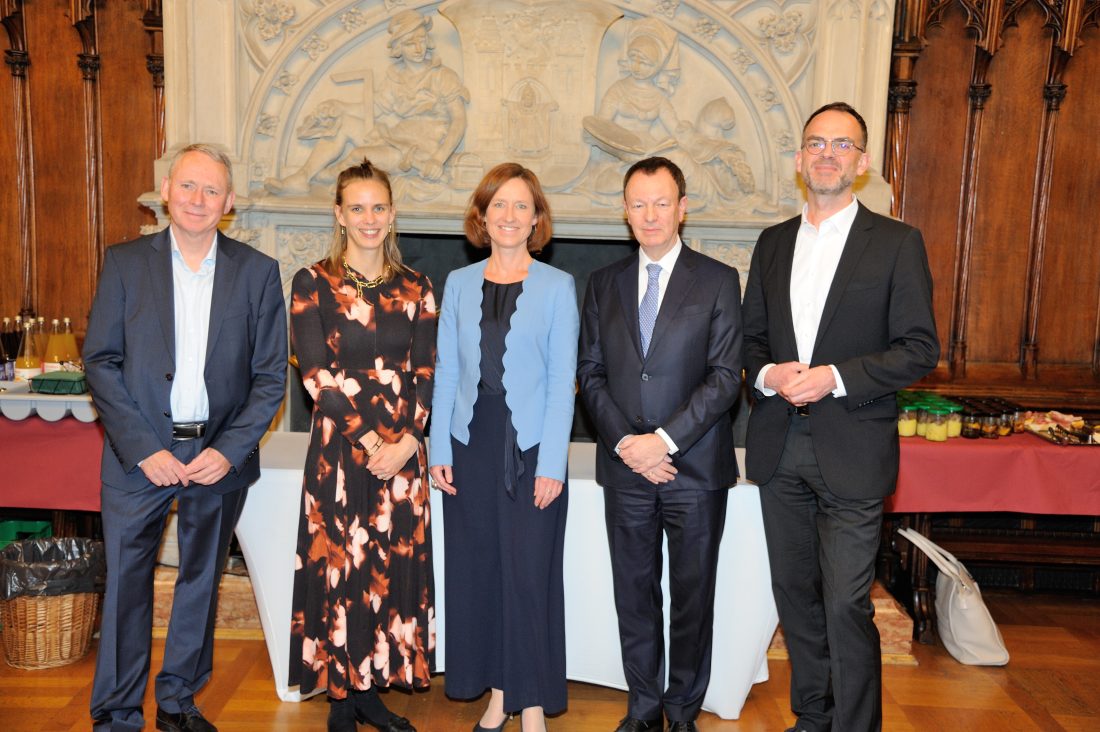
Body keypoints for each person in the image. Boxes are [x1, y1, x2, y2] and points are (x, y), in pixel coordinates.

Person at [741, 102, 940, 732]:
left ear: (860, 163)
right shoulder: (772, 243)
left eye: (842, 145)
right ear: (800, 159)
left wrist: (834, 377)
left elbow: (919, 349)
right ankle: (812, 718)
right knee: (795, 600)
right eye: (816, 143)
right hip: (779, 449)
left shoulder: (897, 243)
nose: (828, 153)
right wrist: (771, 376)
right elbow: (750, 345)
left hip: (853, 449)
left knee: (847, 604)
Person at [84, 144, 288, 732]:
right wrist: (144, 448)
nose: (198, 200)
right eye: (188, 186)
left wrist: (227, 452)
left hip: (216, 457)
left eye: (212, 191)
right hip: (137, 456)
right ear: (166, 190)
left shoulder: (257, 272)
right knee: (127, 585)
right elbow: (100, 361)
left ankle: (177, 701)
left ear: (229, 203)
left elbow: (271, 375)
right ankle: (118, 713)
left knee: (201, 579)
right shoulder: (125, 263)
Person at [576, 157, 743, 732]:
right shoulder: (602, 283)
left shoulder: (719, 280)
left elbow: (725, 378)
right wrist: (627, 443)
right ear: (625, 210)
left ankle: (684, 713)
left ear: (682, 206)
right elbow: (591, 373)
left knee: (693, 601)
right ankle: (644, 710)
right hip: (625, 471)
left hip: (694, 472)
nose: (650, 214)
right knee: (636, 599)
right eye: (638, 203)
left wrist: (663, 442)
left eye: (661, 202)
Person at [287, 160, 437, 732]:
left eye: (379, 207)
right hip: (340, 456)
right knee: (341, 570)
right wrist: (372, 438)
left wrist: (408, 441)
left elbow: (426, 372)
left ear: (392, 213)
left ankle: (371, 689)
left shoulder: (417, 286)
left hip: (401, 459)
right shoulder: (311, 281)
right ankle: (342, 700)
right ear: (339, 214)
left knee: (386, 570)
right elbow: (316, 377)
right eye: (357, 207)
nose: (369, 218)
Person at [429, 163, 578, 732]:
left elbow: (564, 381)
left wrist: (552, 465)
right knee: (483, 571)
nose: (510, 216)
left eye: (522, 206)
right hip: (471, 444)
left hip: (532, 447)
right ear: (482, 216)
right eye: (499, 205)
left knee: (529, 573)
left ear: (536, 218)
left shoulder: (558, 286)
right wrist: (438, 446)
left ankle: (533, 702)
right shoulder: (459, 283)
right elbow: (446, 374)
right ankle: (498, 695)